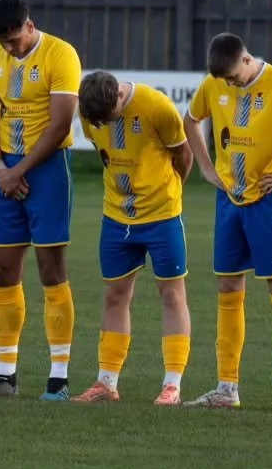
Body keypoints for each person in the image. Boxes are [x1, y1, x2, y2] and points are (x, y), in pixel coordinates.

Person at [183, 32, 272, 413]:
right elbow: (191, 120)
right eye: (224, 80)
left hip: (268, 201)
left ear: (247, 60)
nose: (230, 85)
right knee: (228, 288)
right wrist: (206, 167)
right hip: (229, 200)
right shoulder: (214, 83)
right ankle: (226, 387)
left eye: (234, 77)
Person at [0, 0, 81, 399]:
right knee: (3, 269)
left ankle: (58, 377)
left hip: (48, 168)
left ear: (30, 26)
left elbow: (61, 124)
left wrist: (20, 171)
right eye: (3, 42)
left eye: (14, 40)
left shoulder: (61, 54)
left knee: (51, 267)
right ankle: (5, 376)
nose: (10, 48)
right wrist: (2, 169)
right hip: (6, 170)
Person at [70, 71, 194, 405]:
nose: (104, 124)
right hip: (116, 217)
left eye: (108, 117)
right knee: (115, 295)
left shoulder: (157, 107)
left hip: (162, 217)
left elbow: (184, 156)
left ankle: (172, 386)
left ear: (119, 97)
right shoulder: (90, 109)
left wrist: (167, 192)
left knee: (171, 294)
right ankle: (106, 383)